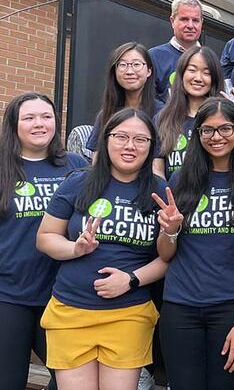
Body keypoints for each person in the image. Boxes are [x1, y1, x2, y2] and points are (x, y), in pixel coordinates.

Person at [36, 108, 170, 390]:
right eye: (121, 136)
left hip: (128, 314)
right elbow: (46, 237)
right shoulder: (78, 182)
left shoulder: (159, 190)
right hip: (70, 311)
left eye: (140, 139)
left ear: (151, 146)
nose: (130, 146)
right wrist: (76, 248)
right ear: (106, 140)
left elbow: (167, 259)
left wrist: (131, 279)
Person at [156, 97, 234, 390]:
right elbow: (166, 253)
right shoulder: (182, 179)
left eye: (225, 129)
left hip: (231, 307)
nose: (216, 137)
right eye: (207, 130)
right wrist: (169, 231)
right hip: (180, 306)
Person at [0, 93, 87, 390]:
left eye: (46, 117)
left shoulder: (75, 166)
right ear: (14, 125)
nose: (39, 124)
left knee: (71, 380)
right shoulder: (2, 168)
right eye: (29, 118)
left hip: (62, 294)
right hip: (9, 295)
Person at [153, 45, 228, 180]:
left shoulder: (225, 118)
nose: (198, 78)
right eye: (192, 70)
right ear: (181, 74)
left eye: (206, 73)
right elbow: (157, 169)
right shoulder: (162, 118)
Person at [87, 42, 164, 152]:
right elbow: (97, 158)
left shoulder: (161, 114)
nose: (129, 71)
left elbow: (159, 161)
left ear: (149, 71)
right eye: (122, 65)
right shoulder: (106, 114)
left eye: (136, 64)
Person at [149, 0, 203, 102]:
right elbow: (148, 100)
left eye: (195, 20)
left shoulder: (210, 60)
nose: (190, 25)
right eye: (184, 19)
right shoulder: (153, 57)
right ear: (172, 21)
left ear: (202, 22)